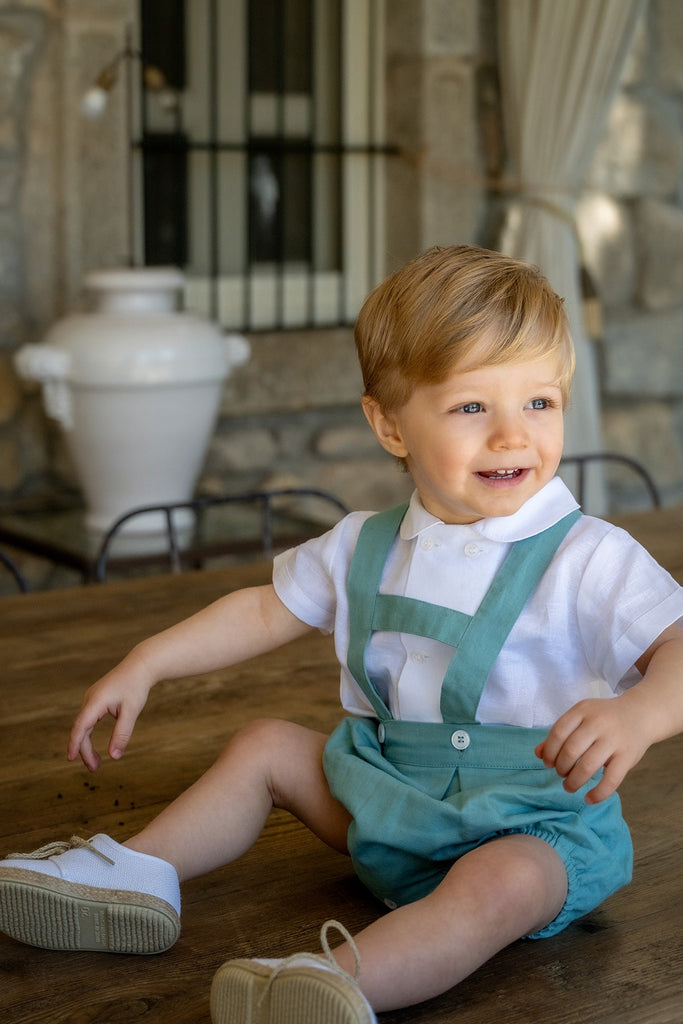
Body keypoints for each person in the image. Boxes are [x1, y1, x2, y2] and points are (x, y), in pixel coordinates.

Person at [1, 245, 682, 1024]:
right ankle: (141, 874)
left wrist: (639, 713)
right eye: (470, 407)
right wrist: (147, 660)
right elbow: (261, 610)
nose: (511, 436)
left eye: (539, 403)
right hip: (387, 801)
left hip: (533, 824)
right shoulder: (363, 543)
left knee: (498, 890)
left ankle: (328, 984)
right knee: (263, 744)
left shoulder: (586, 555)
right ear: (388, 423)